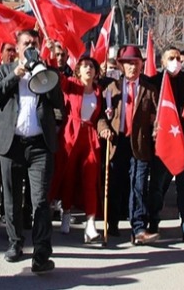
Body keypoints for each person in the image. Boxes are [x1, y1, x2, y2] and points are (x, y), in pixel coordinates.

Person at [0, 29, 64, 273]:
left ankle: (41, 254)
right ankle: (15, 243)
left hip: (39, 145)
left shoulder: (47, 71)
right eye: (26, 44)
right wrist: (16, 75)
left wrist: (44, 73)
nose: (31, 47)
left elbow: (58, 102)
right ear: (18, 48)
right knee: (12, 199)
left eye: (35, 43)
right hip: (10, 144)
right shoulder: (4, 70)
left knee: (40, 200)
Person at [99, 45, 159, 245]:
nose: (132, 67)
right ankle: (112, 222)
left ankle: (139, 227)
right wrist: (103, 128)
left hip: (140, 143)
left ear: (141, 64)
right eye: (128, 64)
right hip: (117, 141)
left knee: (139, 184)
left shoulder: (149, 89)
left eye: (135, 63)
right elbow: (101, 116)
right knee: (115, 183)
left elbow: (158, 115)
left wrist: (156, 127)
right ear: (120, 65)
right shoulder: (111, 88)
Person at [51, 56, 110, 243]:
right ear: (78, 70)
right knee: (68, 176)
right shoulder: (70, 85)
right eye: (84, 66)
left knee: (90, 178)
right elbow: (57, 78)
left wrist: (104, 129)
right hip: (70, 134)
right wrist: (52, 54)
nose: (88, 69)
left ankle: (90, 224)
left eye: (91, 66)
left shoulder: (99, 91)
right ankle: (66, 212)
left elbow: (100, 116)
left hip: (90, 136)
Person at [149, 47, 184, 242]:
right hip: (163, 143)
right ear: (162, 62)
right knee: (158, 187)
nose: (176, 61)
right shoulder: (155, 82)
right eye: (171, 58)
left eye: (178, 58)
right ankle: (153, 223)